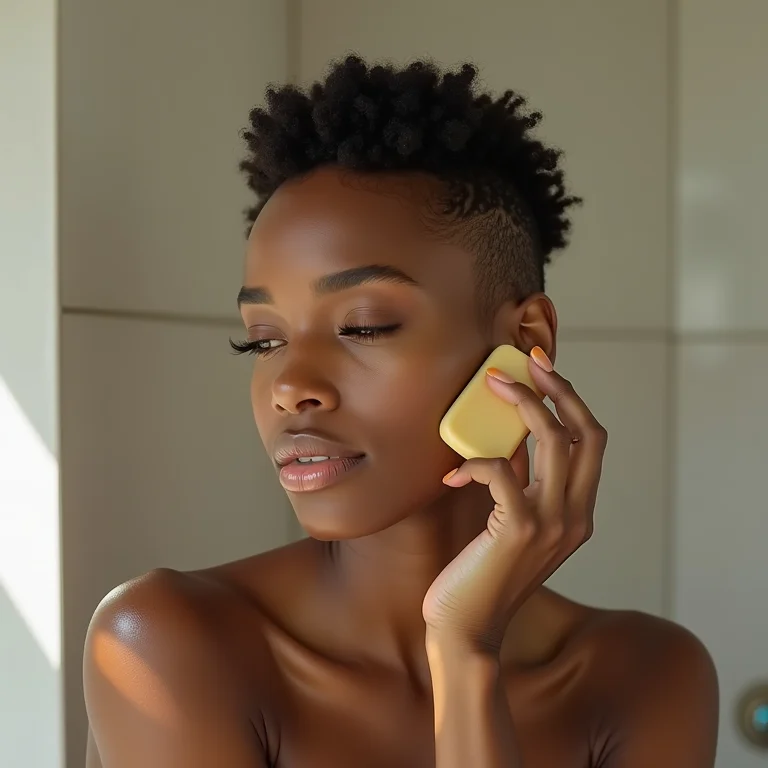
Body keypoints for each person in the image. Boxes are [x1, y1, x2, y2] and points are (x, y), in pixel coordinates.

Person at [83, 55, 719, 767]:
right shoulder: (166, 643)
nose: (291, 384)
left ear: (525, 341)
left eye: (362, 326)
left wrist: (463, 653)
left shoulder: (648, 677)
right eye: (263, 340)